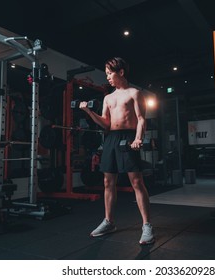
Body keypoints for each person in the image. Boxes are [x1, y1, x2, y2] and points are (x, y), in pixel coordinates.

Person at [79, 57, 154, 245]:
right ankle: (109, 221)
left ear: (121, 72)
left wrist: (138, 138)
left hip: (129, 137)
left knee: (136, 181)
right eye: (106, 75)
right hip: (111, 138)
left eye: (109, 74)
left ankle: (146, 226)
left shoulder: (135, 93)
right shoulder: (108, 97)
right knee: (107, 182)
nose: (108, 78)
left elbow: (141, 119)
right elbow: (105, 123)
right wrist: (89, 112)